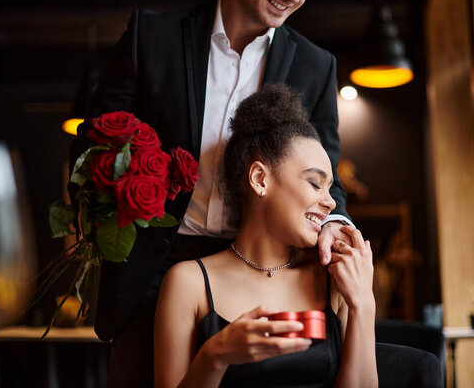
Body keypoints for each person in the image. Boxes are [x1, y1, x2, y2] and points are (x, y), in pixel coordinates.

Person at [69, 0, 352, 386]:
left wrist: (334, 222)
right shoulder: (151, 35)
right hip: (149, 271)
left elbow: (328, 178)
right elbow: (93, 144)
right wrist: (120, 197)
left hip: (252, 270)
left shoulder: (316, 65)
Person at [154, 84, 377, 388]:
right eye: (315, 183)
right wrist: (215, 356)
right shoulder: (188, 283)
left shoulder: (335, 279)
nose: (331, 202)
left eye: (329, 188)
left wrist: (363, 302)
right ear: (260, 179)